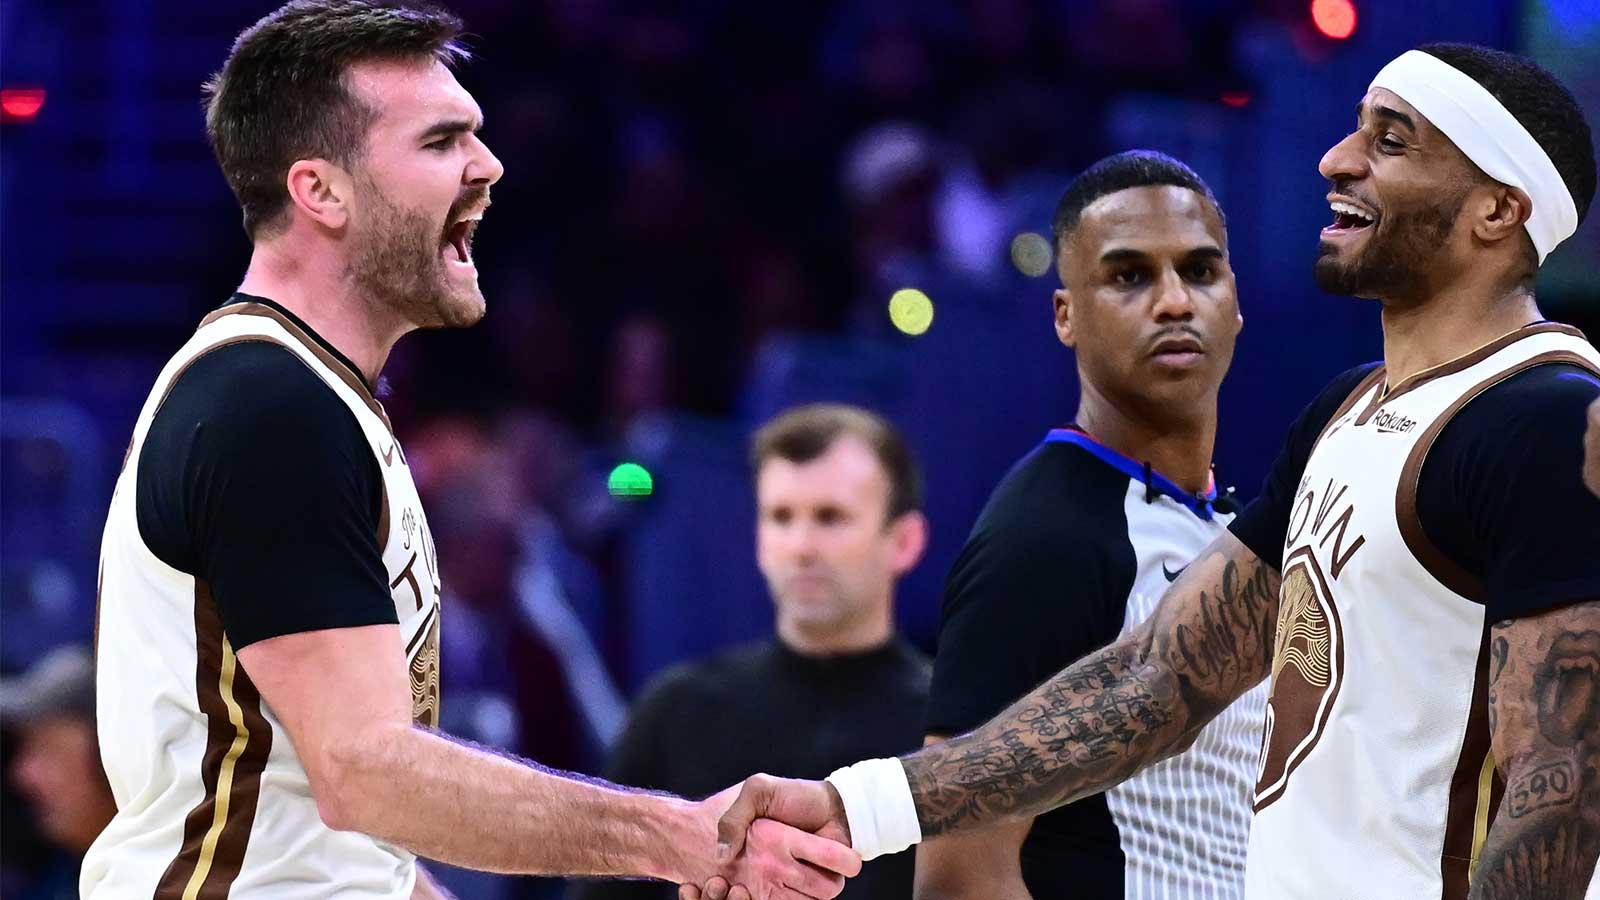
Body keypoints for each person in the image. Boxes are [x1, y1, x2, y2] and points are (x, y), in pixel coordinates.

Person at [703, 42, 1600, 900]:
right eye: (1357, 126)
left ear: (1498, 210)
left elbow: (1560, 787)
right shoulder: (1346, 411)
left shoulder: (1554, 417)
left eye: (1391, 141)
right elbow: (1155, 683)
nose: (1336, 159)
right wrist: (859, 805)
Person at [83, 3, 859, 899]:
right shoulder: (270, 406)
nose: (488, 168)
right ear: (320, 191)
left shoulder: (314, 397)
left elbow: (332, 830)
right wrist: (677, 835)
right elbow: (364, 770)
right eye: (442, 141)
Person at [915, 150, 1263, 900]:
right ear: (1066, 315)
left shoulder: (1229, 525)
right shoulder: (1043, 542)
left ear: (1235, 303)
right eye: (1129, 276)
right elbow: (957, 878)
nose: (1174, 302)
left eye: (1200, 271)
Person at [570, 404, 933, 900]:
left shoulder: (950, 725)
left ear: (904, 541)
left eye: (831, 518)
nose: (802, 546)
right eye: (781, 518)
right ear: (759, 541)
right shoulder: (678, 711)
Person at [1, 647, 118, 900]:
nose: (23, 775)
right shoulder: (57, 880)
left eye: (46, 749)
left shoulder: (193, 870)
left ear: (106, 751)